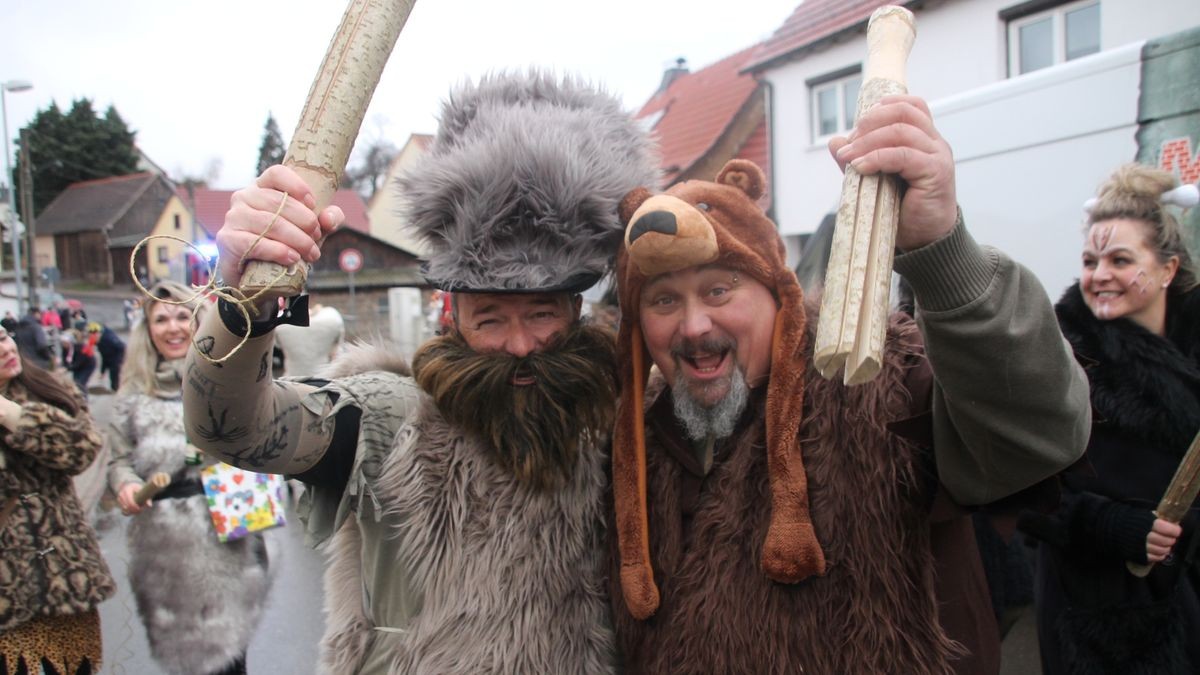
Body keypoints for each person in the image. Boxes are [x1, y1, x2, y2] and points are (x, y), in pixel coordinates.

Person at [182, 72, 656, 673]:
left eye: (542, 314)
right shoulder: (390, 416)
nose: (520, 345)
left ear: (575, 310)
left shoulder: (621, 416)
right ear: (452, 316)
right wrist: (244, 301)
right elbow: (232, 430)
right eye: (491, 318)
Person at [605, 95, 1092, 674]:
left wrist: (942, 254)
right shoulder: (640, 439)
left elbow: (1034, 439)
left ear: (778, 293)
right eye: (664, 300)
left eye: (718, 290)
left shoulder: (869, 381)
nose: (693, 326)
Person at [1018, 164, 1200, 674]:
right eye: (1090, 260)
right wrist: (1111, 523)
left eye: (1121, 260)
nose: (1099, 275)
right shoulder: (1056, 355)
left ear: (1167, 269)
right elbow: (1016, 486)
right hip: (1100, 608)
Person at [106, 281, 278, 675]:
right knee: (190, 660)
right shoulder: (132, 396)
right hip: (167, 543)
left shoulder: (229, 380)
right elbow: (119, 462)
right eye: (161, 318)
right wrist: (126, 484)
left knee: (230, 656)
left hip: (233, 524)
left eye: (182, 315)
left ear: (198, 320)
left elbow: (265, 438)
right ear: (147, 329)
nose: (173, 327)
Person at [0, 323, 115, 675]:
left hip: (66, 583)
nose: (5, 348)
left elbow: (82, 449)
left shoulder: (48, 389)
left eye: (3, 337)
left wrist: (11, 414)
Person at [272, 300, 344, 377]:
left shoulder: (281, 323)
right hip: (322, 379)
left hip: (291, 379)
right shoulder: (332, 317)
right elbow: (337, 355)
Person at [94, 323, 126, 392]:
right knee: (113, 373)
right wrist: (102, 372)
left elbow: (122, 347)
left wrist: (119, 361)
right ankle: (115, 389)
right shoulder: (99, 343)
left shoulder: (109, 339)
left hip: (117, 356)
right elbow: (104, 357)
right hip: (111, 357)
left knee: (115, 372)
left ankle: (117, 389)